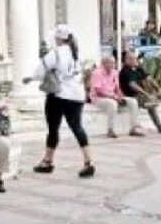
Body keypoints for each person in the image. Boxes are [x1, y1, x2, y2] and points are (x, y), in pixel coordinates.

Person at [29, 24, 96, 178]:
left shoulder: (55, 53)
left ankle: (48, 161)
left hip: (59, 95)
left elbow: (39, 72)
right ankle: (89, 161)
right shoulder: (77, 53)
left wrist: (33, 78)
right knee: (77, 127)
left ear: (58, 38)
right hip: (77, 95)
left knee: (53, 128)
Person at [90, 55, 143, 138]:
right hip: (99, 98)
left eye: (114, 62)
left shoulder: (115, 72)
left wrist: (120, 96)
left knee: (133, 102)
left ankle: (133, 128)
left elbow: (117, 88)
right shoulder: (97, 73)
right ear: (104, 63)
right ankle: (110, 130)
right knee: (112, 104)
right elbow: (98, 91)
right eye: (111, 63)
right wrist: (113, 97)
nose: (113, 64)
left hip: (113, 96)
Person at [120, 51, 161, 134]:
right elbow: (133, 85)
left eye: (135, 58)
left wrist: (158, 89)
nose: (134, 60)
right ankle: (158, 125)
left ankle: (151, 103)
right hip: (130, 96)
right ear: (126, 60)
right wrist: (147, 94)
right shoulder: (125, 71)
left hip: (141, 95)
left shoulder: (138, 68)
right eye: (131, 59)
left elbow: (149, 78)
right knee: (150, 103)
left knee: (155, 99)